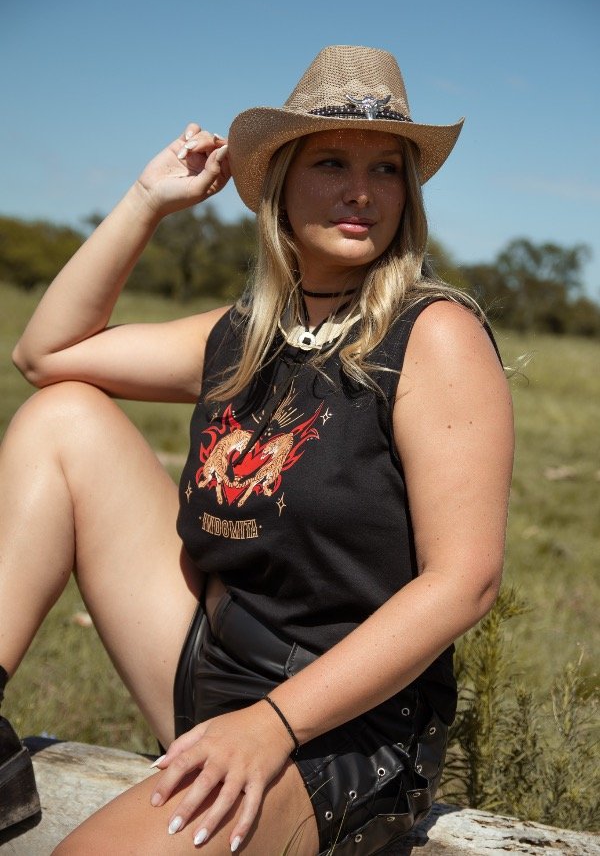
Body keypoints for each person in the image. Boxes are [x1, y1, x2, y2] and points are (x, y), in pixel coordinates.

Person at [0, 45, 513, 855]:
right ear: (280, 183)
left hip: (339, 727)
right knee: (63, 417)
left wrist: (272, 723)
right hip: (210, 663)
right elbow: (45, 355)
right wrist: (147, 202)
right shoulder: (244, 335)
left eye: (386, 169)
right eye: (332, 162)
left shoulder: (433, 335)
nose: (361, 191)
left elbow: (465, 583)